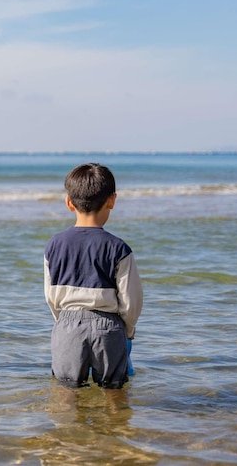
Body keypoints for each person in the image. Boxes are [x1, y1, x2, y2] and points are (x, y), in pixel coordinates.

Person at [44, 163, 143, 389]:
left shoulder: (54, 245)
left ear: (69, 203)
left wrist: (63, 321)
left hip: (68, 323)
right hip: (109, 325)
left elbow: (50, 295)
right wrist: (126, 331)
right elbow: (131, 300)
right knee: (114, 393)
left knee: (65, 394)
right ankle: (115, 424)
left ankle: (70, 425)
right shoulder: (119, 248)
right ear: (112, 200)